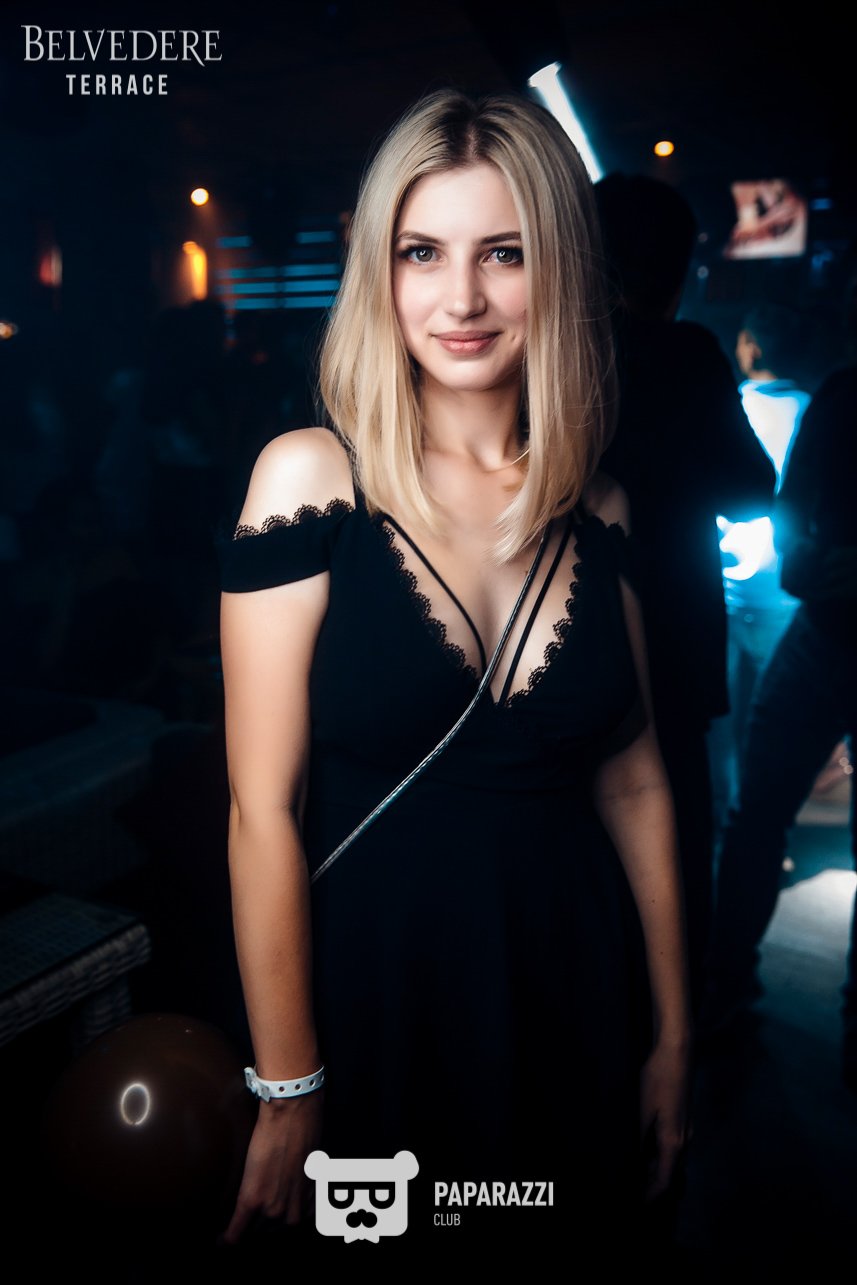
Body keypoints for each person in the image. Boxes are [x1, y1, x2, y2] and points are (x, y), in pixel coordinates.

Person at [214, 90, 690, 1261]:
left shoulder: (599, 503)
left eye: (503, 253)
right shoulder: (308, 478)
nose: (460, 297)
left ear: (558, 271)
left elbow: (633, 780)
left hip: (575, 992)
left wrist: (675, 1034)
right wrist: (287, 1082)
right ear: (378, 272)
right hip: (378, 1003)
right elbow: (260, 807)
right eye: (420, 252)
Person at [593, 173, 776, 1015]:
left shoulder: (551, 353)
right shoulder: (688, 354)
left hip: (567, 631)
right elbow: (751, 487)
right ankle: (680, 1023)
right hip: (672, 631)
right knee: (673, 835)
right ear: (676, 268)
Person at [704, 350, 857, 1080]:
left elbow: (784, 507)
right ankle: (725, 986)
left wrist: (805, 559)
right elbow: (787, 509)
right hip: (820, 629)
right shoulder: (838, 391)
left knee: (754, 816)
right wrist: (801, 559)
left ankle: (725, 989)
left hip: (820, 630)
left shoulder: (839, 390)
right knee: (754, 815)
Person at [710, 303, 812, 828]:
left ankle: (726, 837)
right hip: (788, 599)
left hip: (724, 596)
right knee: (779, 727)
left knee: (720, 727)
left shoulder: (727, 409)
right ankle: (769, 834)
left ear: (749, 346)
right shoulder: (814, 411)